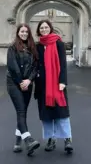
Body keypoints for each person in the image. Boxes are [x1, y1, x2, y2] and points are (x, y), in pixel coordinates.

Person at [34, 19, 74, 154]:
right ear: (39, 30)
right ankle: (50, 139)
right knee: (46, 114)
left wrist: (62, 81)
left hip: (57, 84)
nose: (44, 29)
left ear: (50, 28)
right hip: (42, 85)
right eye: (41, 28)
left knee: (61, 112)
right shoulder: (38, 45)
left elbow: (63, 63)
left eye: (46, 27)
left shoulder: (58, 43)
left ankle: (67, 139)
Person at [6, 23, 40, 156]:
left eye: (26, 32)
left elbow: (36, 66)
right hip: (14, 83)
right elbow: (13, 67)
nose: (24, 33)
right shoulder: (12, 48)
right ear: (18, 33)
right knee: (20, 110)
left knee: (23, 112)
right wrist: (21, 82)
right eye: (22, 31)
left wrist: (29, 80)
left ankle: (17, 143)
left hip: (27, 83)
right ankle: (28, 140)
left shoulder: (32, 48)